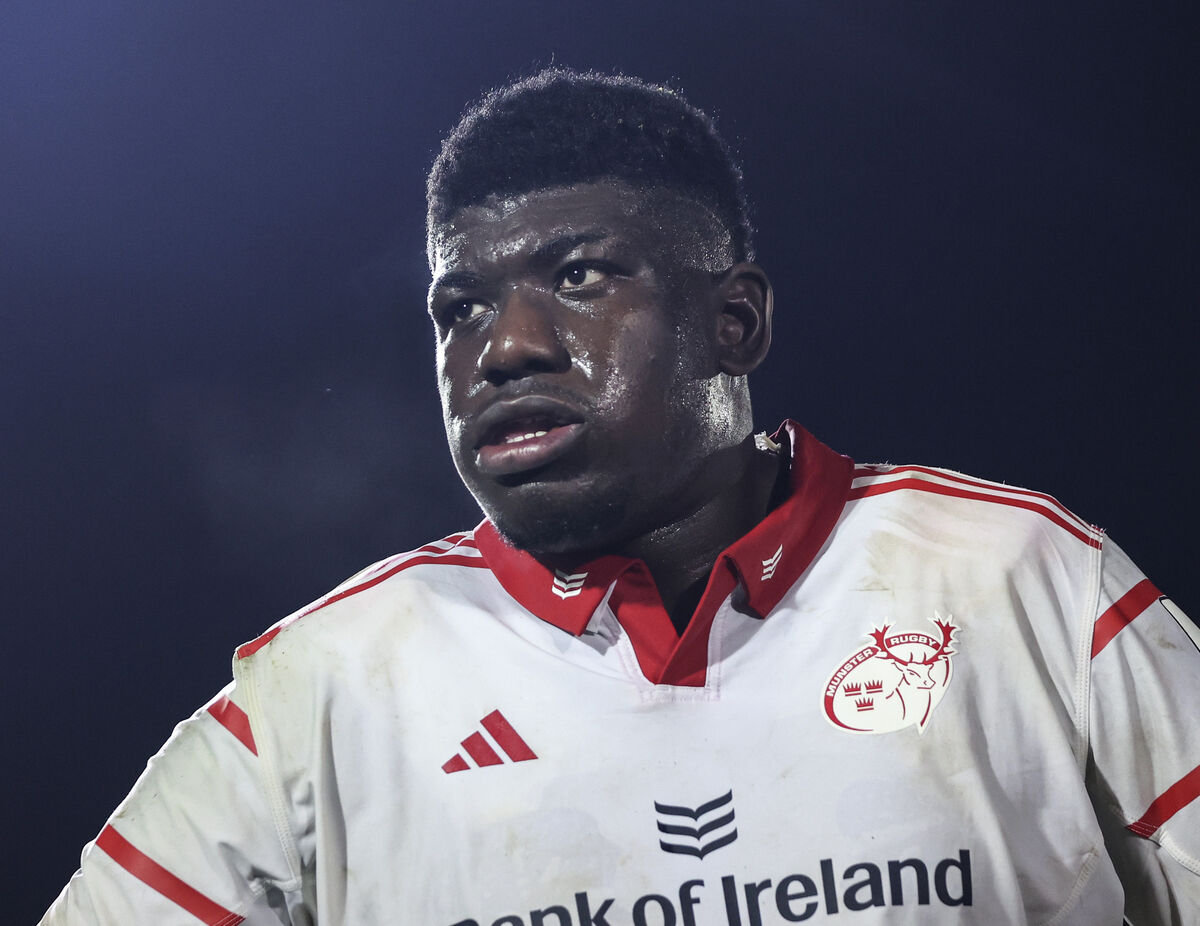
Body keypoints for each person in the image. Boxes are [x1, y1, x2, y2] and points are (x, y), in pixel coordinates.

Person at [42, 69, 1199, 926]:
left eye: (578, 276)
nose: (504, 349)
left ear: (733, 321)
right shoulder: (325, 685)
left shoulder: (1021, 577)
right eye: (461, 309)